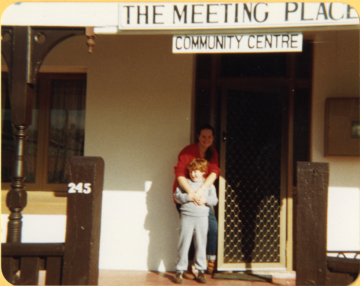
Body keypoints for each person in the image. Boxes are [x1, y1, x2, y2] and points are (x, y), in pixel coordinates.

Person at [173, 124, 220, 279]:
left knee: (210, 229)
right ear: (198, 137)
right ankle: (183, 266)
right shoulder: (187, 151)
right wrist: (191, 193)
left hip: (202, 197)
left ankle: (206, 264)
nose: (206, 139)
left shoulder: (212, 153)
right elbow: (179, 174)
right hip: (187, 196)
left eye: (210, 137)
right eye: (203, 136)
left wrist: (201, 191)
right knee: (186, 236)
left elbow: (214, 173)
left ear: (213, 138)